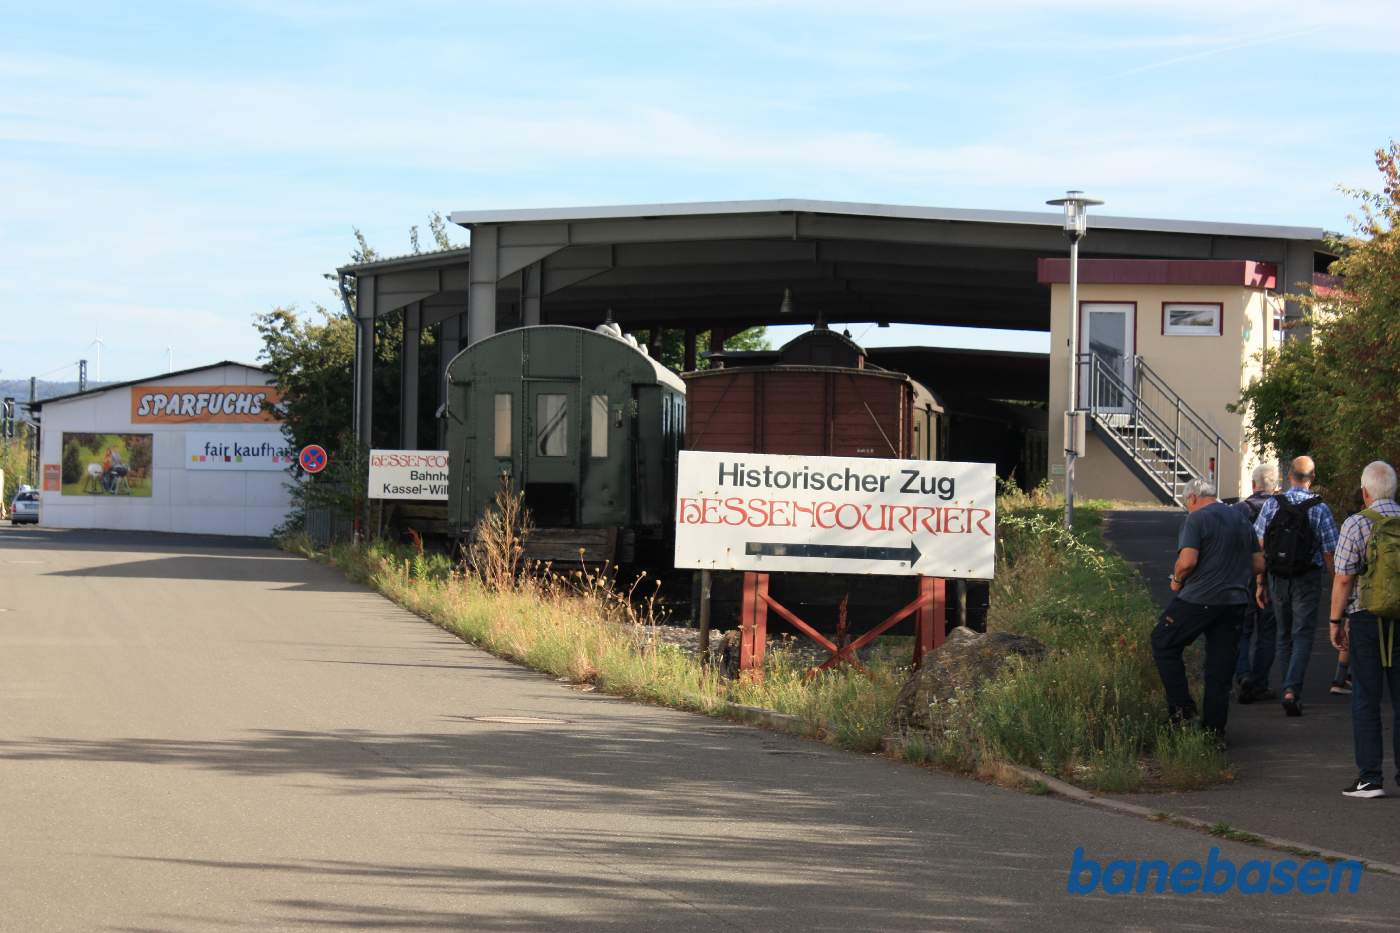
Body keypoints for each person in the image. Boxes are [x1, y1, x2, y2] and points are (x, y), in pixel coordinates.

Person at [1153, 478, 1263, 739]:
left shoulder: (1196, 519)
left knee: (1163, 641)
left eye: (1185, 503)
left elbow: (1188, 560)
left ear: (1192, 498)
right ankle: (1214, 732)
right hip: (1235, 602)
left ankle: (1181, 711)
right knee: (1219, 668)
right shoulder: (1241, 519)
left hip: (1199, 598)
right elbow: (1259, 564)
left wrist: (1177, 579)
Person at [1329, 461, 1400, 799]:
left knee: (1366, 698)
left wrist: (1334, 621)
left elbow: (1344, 577)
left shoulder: (1357, 523)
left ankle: (1371, 778)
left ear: (1365, 492)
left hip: (1366, 617)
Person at [1254, 455, 1338, 716]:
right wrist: (1337, 586)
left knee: (1283, 634)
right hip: (1307, 579)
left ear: (1289, 476)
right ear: (1312, 479)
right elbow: (1329, 553)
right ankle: (1292, 690)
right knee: (1302, 635)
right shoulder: (1320, 508)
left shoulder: (1272, 504)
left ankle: (1288, 685)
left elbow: (1259, 543)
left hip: (1278, 577)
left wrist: (1260, 581)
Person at [1234, 463, 1279, 703]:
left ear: (1253, 485)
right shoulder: (1281, 509)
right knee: (1268, 632)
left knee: (1242, 630)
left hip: (1242, 577)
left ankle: (1243, 675)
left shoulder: (1239, 509)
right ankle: (1260, 682)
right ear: (1275, 486)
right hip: (1272, 577)